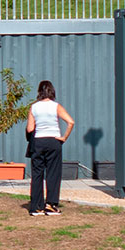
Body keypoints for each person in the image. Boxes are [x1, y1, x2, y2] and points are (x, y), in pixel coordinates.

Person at [25, 80, 75, 217]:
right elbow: (71, 122)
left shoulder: (33, 107)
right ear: (52, 91)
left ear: (39, 92)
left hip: (38, 142)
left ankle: (36, 207)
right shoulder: (56, 106)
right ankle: (51, 205)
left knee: (37, 174)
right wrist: (64, 137)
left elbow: (30, 128)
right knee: (53, 174)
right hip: (53, 141)